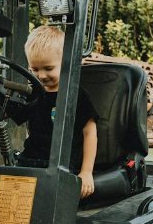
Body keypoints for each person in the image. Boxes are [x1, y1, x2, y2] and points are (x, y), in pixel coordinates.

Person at [8, 25, 98, 198]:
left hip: (62, 164)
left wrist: (86, 172)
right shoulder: (34, 93)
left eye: (48, 68)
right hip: (29, 161)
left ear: (66, 62)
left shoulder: (75, 95)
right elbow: (18, 116)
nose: (41, 75)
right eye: (34, 70)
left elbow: (89, 134)